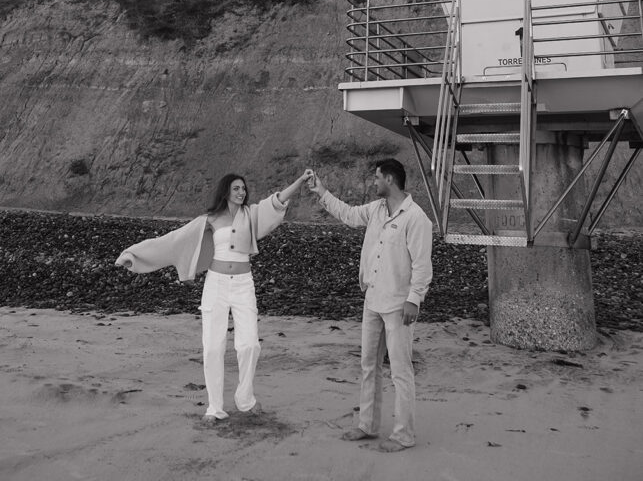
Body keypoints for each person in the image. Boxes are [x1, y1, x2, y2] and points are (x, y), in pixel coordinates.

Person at [115, 168, 313, 422]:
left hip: (243, 285)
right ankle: (214, 407)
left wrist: (299, 180)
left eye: (244, 189)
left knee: (249, 344)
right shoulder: (208, 220)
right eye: (236, 189)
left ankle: (245, 399)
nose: (242, 192)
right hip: (216, 286)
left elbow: (278, 201)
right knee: (212, 347)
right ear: (226, 192)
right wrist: (134, 255)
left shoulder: (251, 215)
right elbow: (172, 241)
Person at [307, 158, 432, 453]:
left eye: (377, 178)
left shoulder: (416, 218)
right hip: (373, 299)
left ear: (390, 179)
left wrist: (415, 300)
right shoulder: (375, 210)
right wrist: (321, 191)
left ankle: (404, 435)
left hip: (399, 305)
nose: (373, 182)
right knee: (368, 365)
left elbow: (422, 265)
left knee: (401, 371)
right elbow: (348, 214)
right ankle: (367, 425)